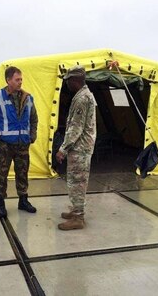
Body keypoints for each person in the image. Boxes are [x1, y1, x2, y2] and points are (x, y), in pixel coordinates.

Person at [0, 66, 38, 218]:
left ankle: (23, 201)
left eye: (21, 79)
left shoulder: (28, 98)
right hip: (5, 145)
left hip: (23, 144)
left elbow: (34, 119)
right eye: (17, 79)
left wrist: (32, 136)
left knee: (23, 173)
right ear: (8, 80)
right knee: (2, 175)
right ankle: (0, 203)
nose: (20, 82)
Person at [56, 65, 96, 230]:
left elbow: (76, 128)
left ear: (75, 80)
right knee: (76, 181)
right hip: (81, 148)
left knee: (77, 181)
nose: (67, 84)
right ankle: (76, 210)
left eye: (68, 81)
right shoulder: (84, 95)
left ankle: (78, 218)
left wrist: (62, 149)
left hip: (80, 149)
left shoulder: (81, 98)